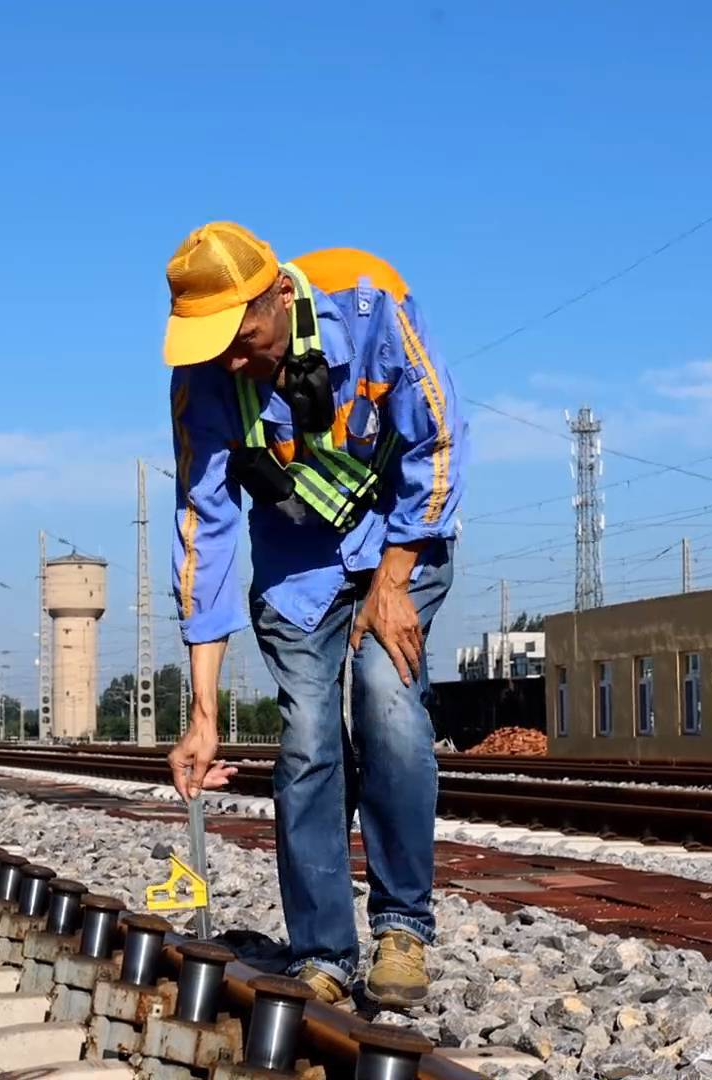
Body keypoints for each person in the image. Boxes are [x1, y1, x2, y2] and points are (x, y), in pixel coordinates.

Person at [162, 222, 465, 1009]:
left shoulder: (371, 306)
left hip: (400, 542)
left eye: (241, 337)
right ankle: (322, 954)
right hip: (299, 569)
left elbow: (435, 442)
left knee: (388, 706)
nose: (230, 360)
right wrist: (202, 713)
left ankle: (403, 929)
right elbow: (207, 533)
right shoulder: (202, 378)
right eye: (210, 344)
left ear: (280, 295)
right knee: (307, 745)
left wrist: (393, 580)